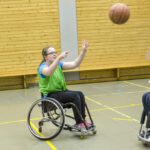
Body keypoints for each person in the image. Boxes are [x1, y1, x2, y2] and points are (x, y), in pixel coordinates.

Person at [38, 40, 91, 129]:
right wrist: (58, 58)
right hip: (50, 95)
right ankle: (79, 123)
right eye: (51, 53)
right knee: (74, 96)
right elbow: (49, 72)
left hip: (61, 92)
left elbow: (75, 64)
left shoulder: (58, 65)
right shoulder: (42, 67)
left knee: (80, 94)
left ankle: (82, 120)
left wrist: (83, 51)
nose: (54, 54)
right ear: (45, 57)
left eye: (55, 52)